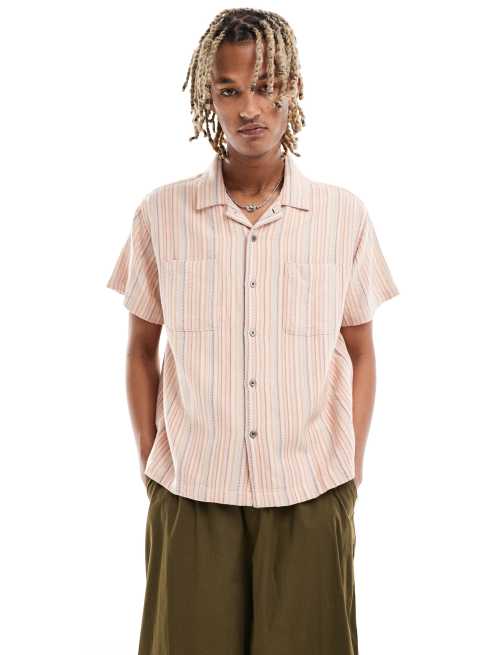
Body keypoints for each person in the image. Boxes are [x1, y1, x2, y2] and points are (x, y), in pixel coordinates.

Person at [106, 8, 399, 655]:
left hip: (310, 492)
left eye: (265, 86)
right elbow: (140, 349)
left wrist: (349, 472)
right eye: (230, 89)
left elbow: (360, 351)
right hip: (192, 492)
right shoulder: (161, 214)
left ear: (293, 87)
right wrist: (151, 465)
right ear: (207, 97)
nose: (249, 109)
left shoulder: (341, 216)